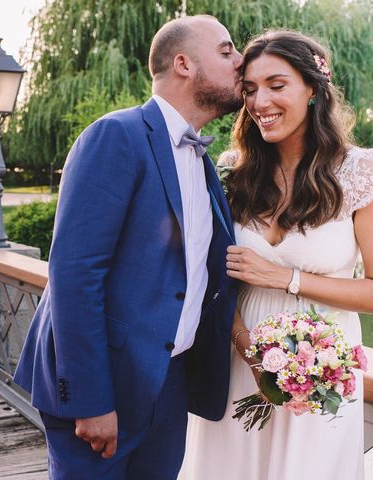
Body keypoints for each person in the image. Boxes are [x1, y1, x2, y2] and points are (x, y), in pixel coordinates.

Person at [14, 15, 243, 479]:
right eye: (226, 51)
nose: (242, 61)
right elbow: (75, 276)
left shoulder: (202, 161)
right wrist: (91, 400)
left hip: (169, 384)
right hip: (105, 390)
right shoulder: (116, 136)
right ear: (183, 63)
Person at [180, 31, 373, 480]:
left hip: (322, 372)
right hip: (238, 361)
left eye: (276, 85)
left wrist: (284, 278)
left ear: (312, 89)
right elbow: (204, 273)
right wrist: (247, 346)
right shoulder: (231, 171)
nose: (259, 101)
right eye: (249, 89)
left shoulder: (360, 171)